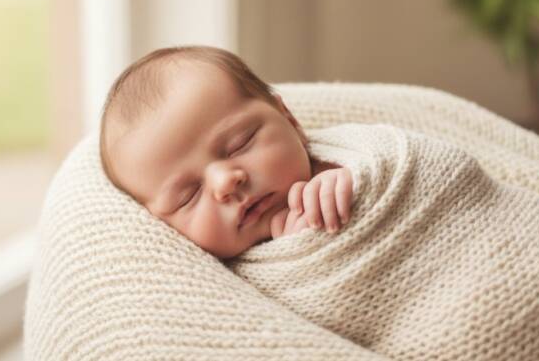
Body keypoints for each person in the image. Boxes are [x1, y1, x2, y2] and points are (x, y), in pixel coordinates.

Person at [99, 45, 353, 259]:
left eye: (240, 144)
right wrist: (298, 256)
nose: (225, 182)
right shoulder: (208, 279)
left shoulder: (349, 156)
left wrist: (352, 183)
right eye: (188, 196)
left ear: (289, 119)